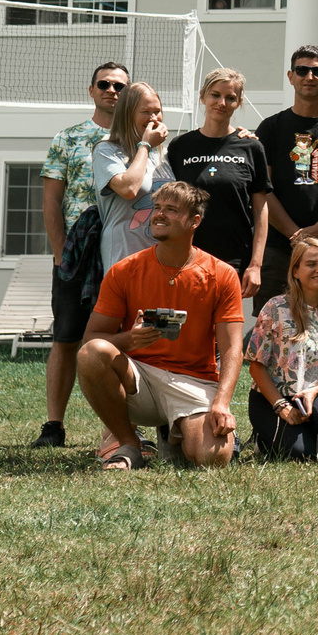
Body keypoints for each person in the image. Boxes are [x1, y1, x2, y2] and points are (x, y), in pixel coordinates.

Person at [78, 180, 249, 469]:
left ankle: (176, 434)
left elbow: (233, 347)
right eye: (157, 208)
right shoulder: (124, 270)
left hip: (193, 381)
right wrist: (131, 339)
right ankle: (128, 443)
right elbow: (92, 338)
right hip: (139, 380)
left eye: (171, 209)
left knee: (212, 458)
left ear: (195, 221)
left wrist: (221, 403)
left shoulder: (222, 274)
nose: (159, 214)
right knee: (92, 353)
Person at [36, 60, 128, 447]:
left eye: (120, 86)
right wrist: (61, 256)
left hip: (123, 255)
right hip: (78, 256)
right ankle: (54, 426)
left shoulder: (139, 139)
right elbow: (50, 203)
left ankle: (121, 426)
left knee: (123, 338)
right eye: (104, 84)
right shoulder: (68, 138)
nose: (112, 91)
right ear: (91, 90)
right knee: (67, 338)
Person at [255, 45, 318, 305]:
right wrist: (296, 236)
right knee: (274, 329)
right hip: (279, 248)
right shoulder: (270, 128)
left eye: (317, 71)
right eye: (302, 70)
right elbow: (262, 190)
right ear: (291, 77)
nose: (309, 76)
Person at [243, 237, 318, 461]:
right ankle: (263, 439)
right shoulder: (275, 307)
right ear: (295, 271)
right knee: (301, 455)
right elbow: (256, 366)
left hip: (314, 399)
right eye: (311, 264)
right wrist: (281, 406)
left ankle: (311, 438)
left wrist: (314, 392)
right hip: (272, 399)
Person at [166, 67, 272, 294]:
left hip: (233, 259)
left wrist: (255, 264)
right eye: (215, 95)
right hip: (185, 258)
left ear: (239, 102)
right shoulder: (180, 146)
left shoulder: (251, 147)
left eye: (230, 98)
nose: (222, 102)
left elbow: (261, 208)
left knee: (226, 328)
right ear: (203, 96)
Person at [91, 79, 170, 267]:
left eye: (157, 111)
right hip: (123, 258)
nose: (153, 118)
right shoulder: (106, 150)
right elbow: (129, 188)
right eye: (146, 112)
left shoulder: (165, 154)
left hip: (160, 259)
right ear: (128, 114)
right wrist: (145, 145)